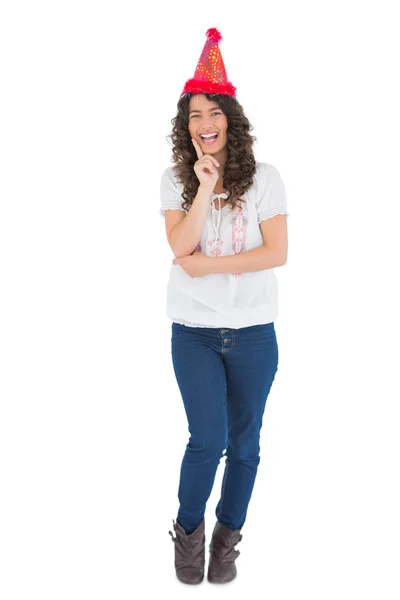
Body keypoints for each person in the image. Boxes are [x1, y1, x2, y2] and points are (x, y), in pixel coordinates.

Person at [160, 27, 289, 585]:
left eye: (213, 113)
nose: (204, 123)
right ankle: (187, 535)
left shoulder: (266, 179)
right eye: (194, 116)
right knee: (206, 439)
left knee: (245, 444)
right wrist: (205, 186)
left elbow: (276, 253)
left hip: (255, 333)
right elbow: (178, 246)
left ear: (230, 121)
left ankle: (226, 541)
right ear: (185, 127)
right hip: (194, 333)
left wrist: (205, 267)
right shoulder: (175, 181)